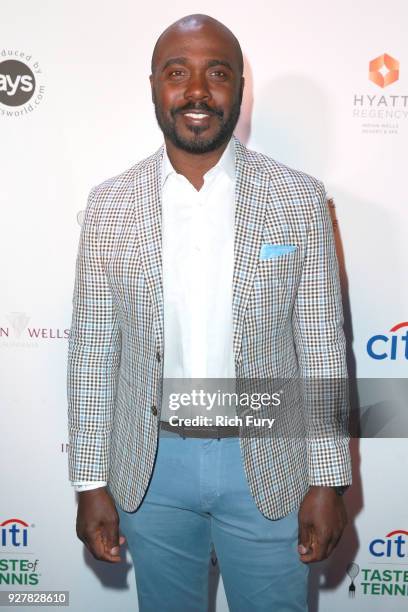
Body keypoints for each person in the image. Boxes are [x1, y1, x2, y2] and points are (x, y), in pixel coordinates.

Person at [67, 13, 352, 612]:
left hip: (269, 464)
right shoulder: (110, 204)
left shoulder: (297, 197)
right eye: (178, 73)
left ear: (240, 87)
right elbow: (94, 349)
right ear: (153, 85)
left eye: (216, 73)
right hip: (151, 468)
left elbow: (323, 345)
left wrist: (328, 480)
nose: (197, 91)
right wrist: (89, 482)